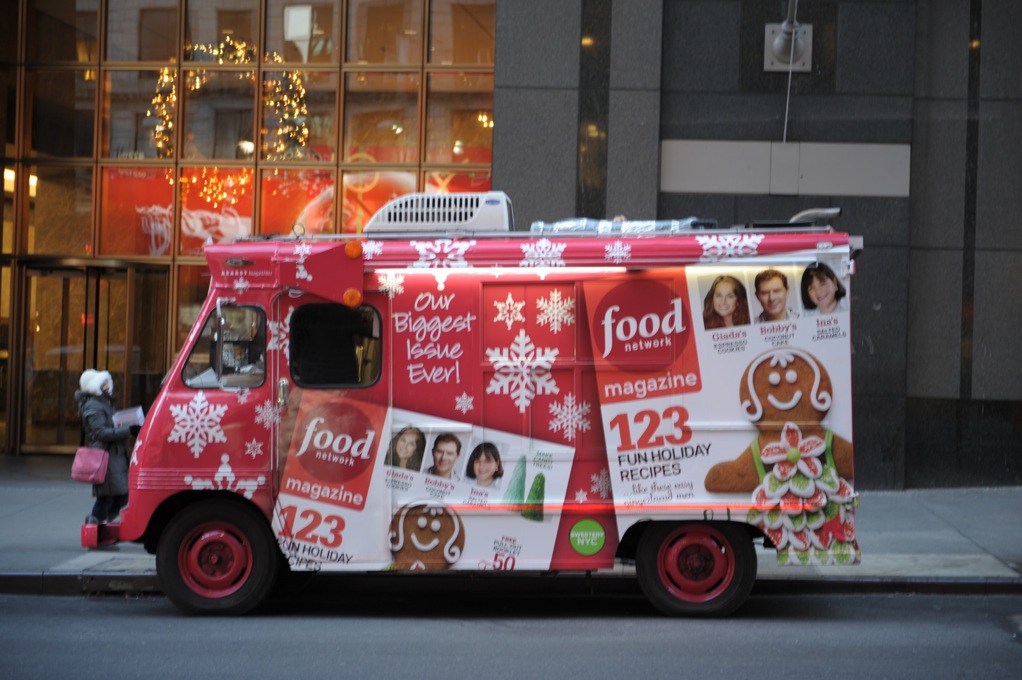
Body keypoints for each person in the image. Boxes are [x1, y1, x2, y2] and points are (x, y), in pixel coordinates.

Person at [76, 370, 139, 525]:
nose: (108, 387)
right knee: (107, 496)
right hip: (105, 456)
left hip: (114, 455)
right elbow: (100, 432)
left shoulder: (104, 403)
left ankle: (101, 522)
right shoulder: (93, 405)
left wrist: (126, 426)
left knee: (120, 494)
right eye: (103, 384)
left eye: (107, 383)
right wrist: (128, 430)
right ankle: (96, 522)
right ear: (94, 387)